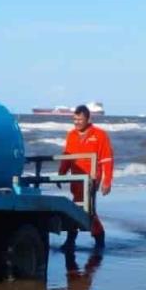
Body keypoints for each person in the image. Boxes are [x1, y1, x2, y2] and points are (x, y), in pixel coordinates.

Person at [59, 105, 113, 250]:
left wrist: (107, 181)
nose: (76, 122)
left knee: (86, 209)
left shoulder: (100, 135)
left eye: (80, 119)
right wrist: (61, 173)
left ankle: (97, 239)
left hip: (91, 179)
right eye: (74, 119)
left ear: (88, 119)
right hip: (76, 179)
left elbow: (106, 159)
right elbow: (67, 157)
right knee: (77, 207)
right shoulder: (71, 135)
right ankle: (73, 240)